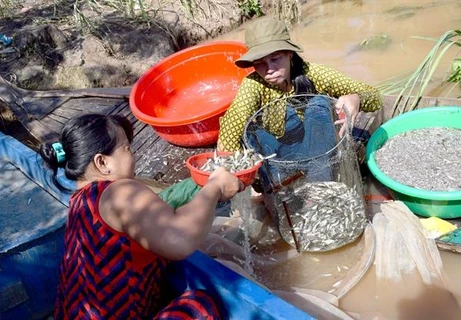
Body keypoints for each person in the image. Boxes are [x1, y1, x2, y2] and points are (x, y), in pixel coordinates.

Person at [40, 113, 244, 319]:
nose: (134, 155)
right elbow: (180, 240)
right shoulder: (117, 192)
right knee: (199, 306)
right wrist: (215, 186)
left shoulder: (79, 202)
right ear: (102, 163)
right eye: (126, 148)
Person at [217, 17, 383, 153]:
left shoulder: (314, 73)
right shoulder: (253, 85)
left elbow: (375, 97)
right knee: (251, 134)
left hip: (318, 142)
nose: (269, 70)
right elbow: (233, 125)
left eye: (275, 59)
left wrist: (356, 98)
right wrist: (231, 167)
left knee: (318, 105)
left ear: (289, 54)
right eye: (260, 63)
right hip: (275, 148)